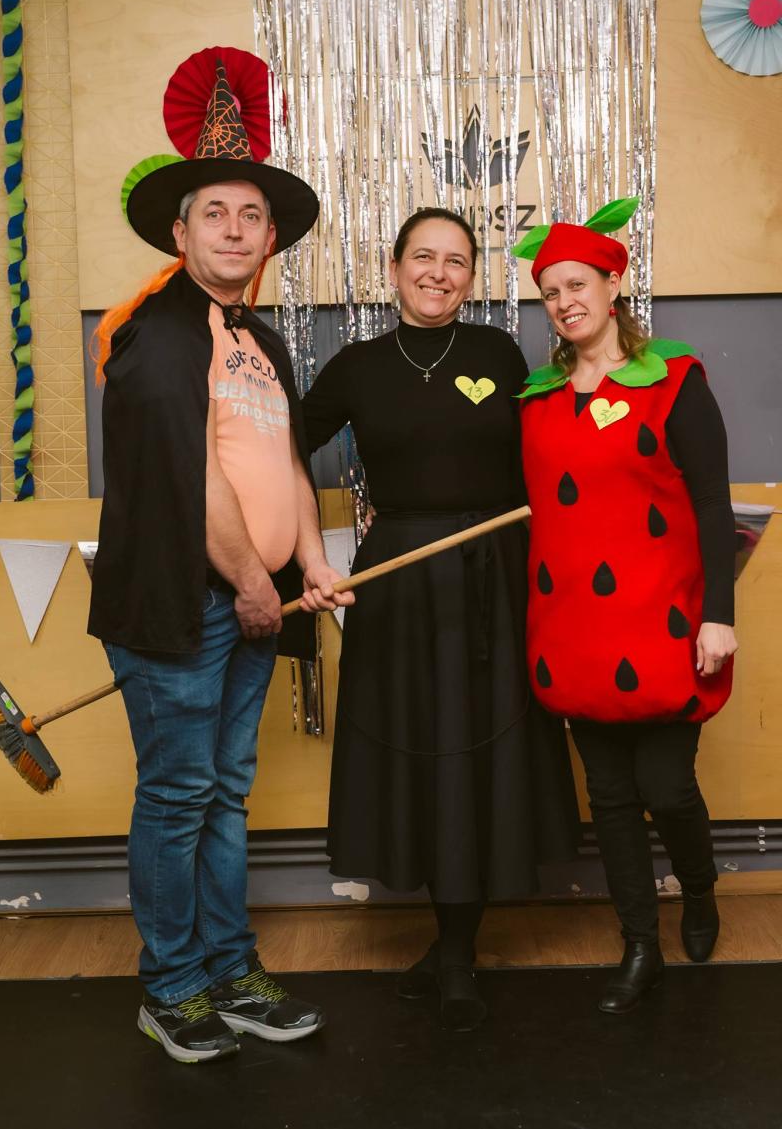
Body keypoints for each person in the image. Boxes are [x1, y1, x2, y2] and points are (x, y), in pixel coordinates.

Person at [88, 54, 351, 1063]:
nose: (234, 229)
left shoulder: (260, 341)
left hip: (252, 601)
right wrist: (250, 582)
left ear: (269, 236)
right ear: (180, 232)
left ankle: (230, 970)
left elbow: (285, 463)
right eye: (215, 214)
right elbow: (191, 474)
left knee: (222, 793)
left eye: (250, 215)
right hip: (183, 604)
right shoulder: (159, 336)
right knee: (178, 795)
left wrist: (307, 566)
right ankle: (172, 987)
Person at [301, 208, 579, 1032]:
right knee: (419, 750)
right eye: (423, 256)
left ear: (471, 277)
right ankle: (449, 942)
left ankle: (457, 948)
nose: (439, 272)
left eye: (457, 261)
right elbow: (276, 453)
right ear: (393, 269)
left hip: (496, 574)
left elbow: (551, 451)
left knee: (482, 753)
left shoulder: (498, 354)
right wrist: (301, 554)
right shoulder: (355, 365)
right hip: (397, 579)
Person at [514, 202, 738, 1014]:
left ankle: (700, 890)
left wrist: (719, 613)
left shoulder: (675, 382)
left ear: (614, 285)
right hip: (574, 626)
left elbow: (712, 504)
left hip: (665, 620)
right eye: (549, 292)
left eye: (577, 285)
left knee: (667, 787)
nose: (563, 302)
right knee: (607, 796)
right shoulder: (537, 398)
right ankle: (640, 942)